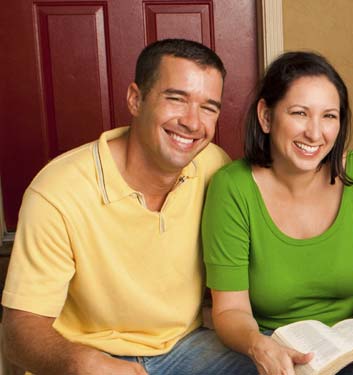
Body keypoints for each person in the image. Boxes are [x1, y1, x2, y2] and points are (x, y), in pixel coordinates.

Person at [1, 39, 256, 374]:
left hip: (185, 346)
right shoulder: (57, 191)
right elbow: (18, 332)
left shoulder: (213, 166)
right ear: (136, 99)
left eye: (208, 107)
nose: (193, 123)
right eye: (176, 99)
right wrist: (79, 363)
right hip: (91, 353)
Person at [201, 51, 353, 375]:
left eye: (329, 116)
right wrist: (260, 346)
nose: (315, 133)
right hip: (273, 344)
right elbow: (230, 310)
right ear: (266, 117)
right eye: (300, 113)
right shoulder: (232, 188)